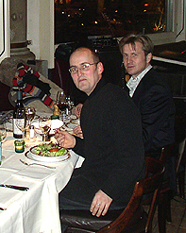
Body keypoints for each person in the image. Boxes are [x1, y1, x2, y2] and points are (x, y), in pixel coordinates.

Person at [55, 47, 145, 217]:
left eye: (85, 66)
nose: (79, 73)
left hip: (119, 190)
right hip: (99, 174)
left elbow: (133, 158)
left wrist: (108, 192)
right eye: (74, 69)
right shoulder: (94, 101)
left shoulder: (117, 102)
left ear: (99, 68)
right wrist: (75, 143)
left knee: (46, 199)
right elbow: (100, 151)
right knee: (51, 185)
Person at [119, 34, 175, 159]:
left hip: (150, 159)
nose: (129, 61)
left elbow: (144, 136)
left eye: (134, 55)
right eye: (125, 55)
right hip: (138, 149)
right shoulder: (133, 82)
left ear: (148, 57)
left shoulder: (155, 90)